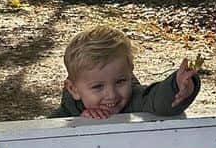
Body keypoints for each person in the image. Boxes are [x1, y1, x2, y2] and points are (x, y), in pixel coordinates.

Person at [58, 23, 201, 119]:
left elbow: (156, 100)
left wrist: (177, 86)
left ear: (130, 72)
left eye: (120, 81)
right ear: (73, 89)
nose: (112, 95)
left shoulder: (134, 100)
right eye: (97, 86)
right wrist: (79, 123)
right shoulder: (65, 114)